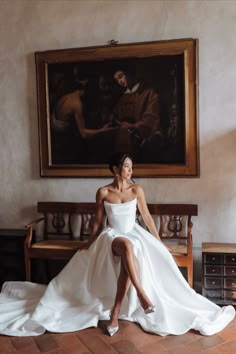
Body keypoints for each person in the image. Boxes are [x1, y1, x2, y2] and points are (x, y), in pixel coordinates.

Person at [0, 153, 235, 337]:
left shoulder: (137, 190)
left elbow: (147, 218)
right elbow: (97, 223)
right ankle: (142, 295)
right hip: (112, 236)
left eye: (132, 166)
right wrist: (88, 243)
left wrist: (160, 243)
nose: (131, 170)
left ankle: (115, 312)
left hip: (135, 233)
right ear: (115, 169)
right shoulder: (103, 192)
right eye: (126, 166)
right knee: (126, 247)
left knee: (131, 250)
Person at [111, 69, 164, 161]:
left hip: (144, 137)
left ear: (128, 73)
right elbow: (116, 117)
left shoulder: (149, 93)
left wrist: (132, 126)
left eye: (120, 76)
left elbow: (150, 119)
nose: (120, 81)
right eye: (117, 80)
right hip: (125, 136)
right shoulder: (122, 99)